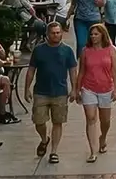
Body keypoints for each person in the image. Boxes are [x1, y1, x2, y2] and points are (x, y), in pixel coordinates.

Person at [25, 21, 79, 165]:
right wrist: (27, 89)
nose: (56, 35)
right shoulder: (39, 50)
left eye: (58, 32)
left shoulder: (67, 51)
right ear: (47, 35)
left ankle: (54, 151)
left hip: (60, 92)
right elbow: (31, 70)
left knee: (58, 122)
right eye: (53, 33)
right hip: (41, 92)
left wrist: (74, 89)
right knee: (39, 121)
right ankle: (44, 139)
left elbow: (73, 70)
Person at [78, 23, 116, 163]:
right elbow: (81, 71)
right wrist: (77, 89)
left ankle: (103, 137)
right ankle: (92, 150)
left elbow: (115, 71)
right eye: (91, 34)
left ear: (102, 34)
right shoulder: (85, 51)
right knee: (90, 118)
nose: (93, 36)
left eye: (96, 34)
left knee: (105, 121)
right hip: (88, 88)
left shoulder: (111, 50)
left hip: (106, 88)